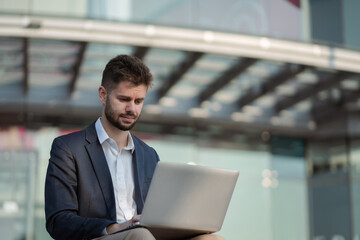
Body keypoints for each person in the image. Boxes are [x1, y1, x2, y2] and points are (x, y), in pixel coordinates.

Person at [45, 55, 224, 240]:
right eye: (124, 99)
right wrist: (115, 227)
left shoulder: (149, 155)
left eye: (139, 101)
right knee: (140, 235)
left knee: (212, 239)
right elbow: (58, 221)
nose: (132, 109)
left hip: (146, 236)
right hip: (103, 236)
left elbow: (157, 217)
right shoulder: (68, 148)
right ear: (103, 95)